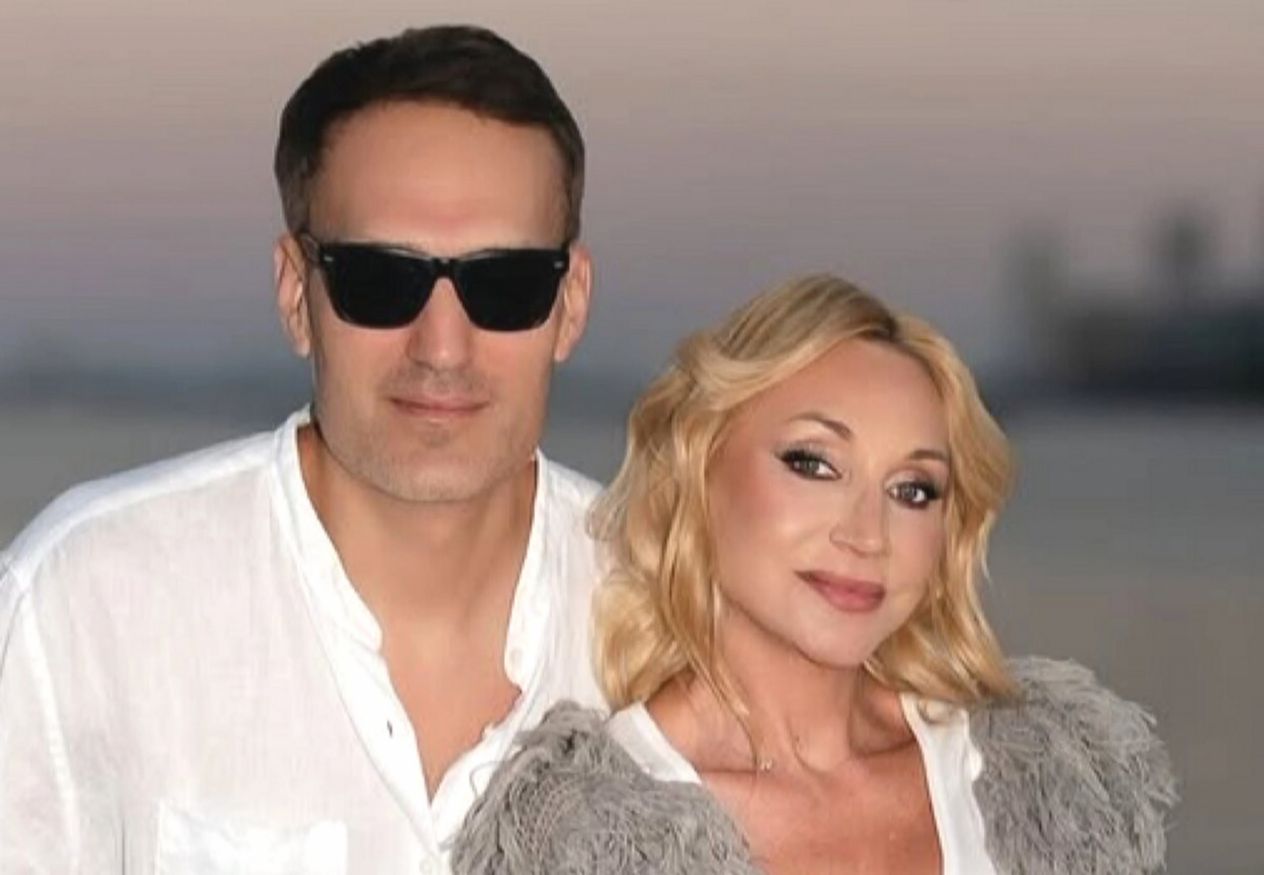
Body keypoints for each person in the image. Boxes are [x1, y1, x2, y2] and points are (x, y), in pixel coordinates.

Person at [0, 24, 602, 873]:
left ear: (570, 304)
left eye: (504, 285)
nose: (441, 347)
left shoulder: (672, 616)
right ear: (294, 294)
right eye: (380, 280)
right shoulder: (88, 604)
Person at [453, 275, 1177, 874]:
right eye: (814, 463)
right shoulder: (580, 839)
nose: (867, 535)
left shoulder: (1044, 781)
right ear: (699, 469)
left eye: (913, 490)